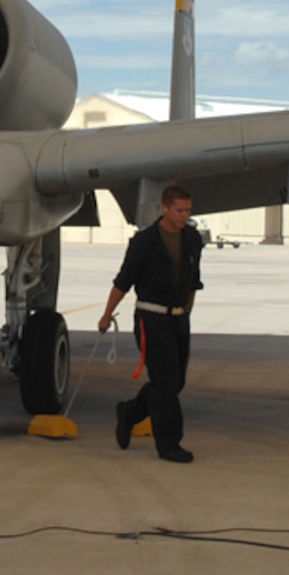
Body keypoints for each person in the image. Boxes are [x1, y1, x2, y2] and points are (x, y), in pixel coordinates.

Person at [97, 184, 204, 463]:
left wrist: (188, 309)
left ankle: (129, 413)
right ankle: (169, 444)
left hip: (180, 319)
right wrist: (107, 314)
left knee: (174, 382)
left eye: (188, 211)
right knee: (166, 382)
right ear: (165, 209)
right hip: (151, 318)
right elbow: (123, 281)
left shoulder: (192, 239)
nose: (184, 216)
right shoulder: (144, 242)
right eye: (180, 211)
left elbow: (194, 278)